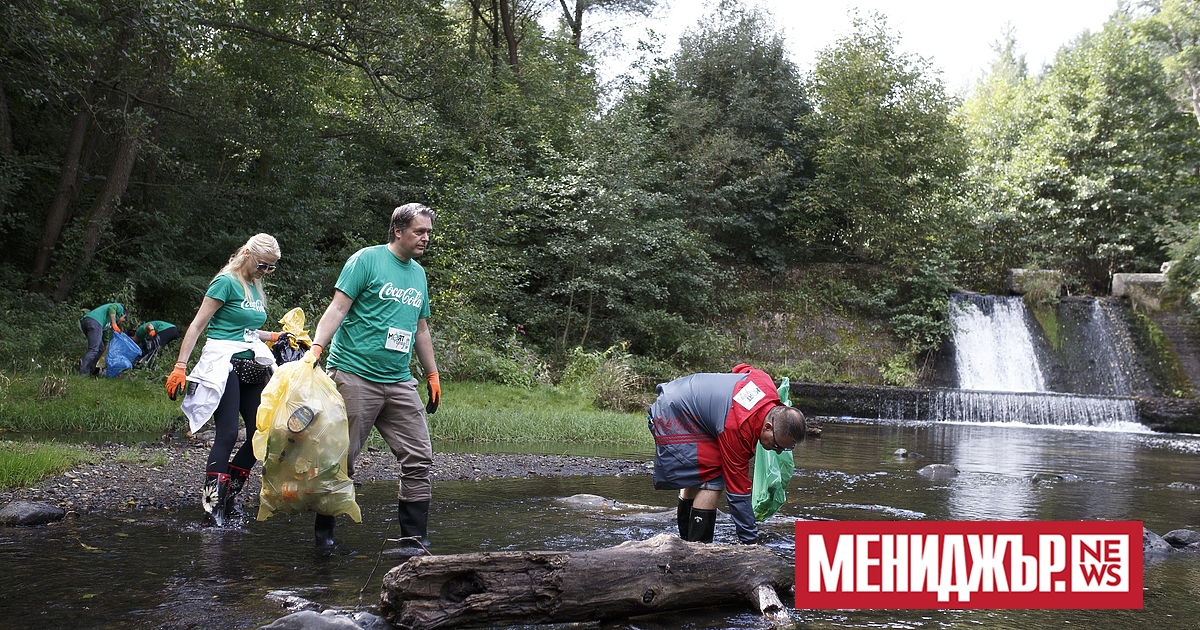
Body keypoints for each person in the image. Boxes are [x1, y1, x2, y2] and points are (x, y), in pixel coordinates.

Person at [308, 203, 441, 552]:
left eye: (428, 232)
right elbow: (337, 308)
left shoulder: (418, 275)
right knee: (342, 459)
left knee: (419, 457)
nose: (426, 238)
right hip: (354, 375)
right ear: (398, 230)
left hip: (399, 380)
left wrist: (432, 374)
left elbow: (421, 330)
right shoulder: (366, 260)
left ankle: (415, 540)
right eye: (419, 231)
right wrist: (316, 349)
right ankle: (325, 539)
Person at [165, 234, 284, 527]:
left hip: (251, 363)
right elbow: (198, 325)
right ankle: (213, 506)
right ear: (246, 254)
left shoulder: (255, 285)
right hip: (224, 363)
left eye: (271, 268)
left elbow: (247, 330)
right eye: (262, 265)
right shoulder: (225, 282)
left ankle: (229, 494)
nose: (265, 272)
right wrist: (180, 365)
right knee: (228, 433)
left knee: (264, 432)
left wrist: (276, 337)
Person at [647, 363, 810, 545]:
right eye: (778, 445)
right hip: (673, 413)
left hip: (681, 396)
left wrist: (717, 408)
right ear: (768, 427)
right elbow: (737, 494)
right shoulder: (737, 429)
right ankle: (698, 550)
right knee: (713, 478)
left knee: (700, 472)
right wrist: (750, 543)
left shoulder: (765, 384)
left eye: (785, 449)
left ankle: (685, 542)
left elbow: (740, 369)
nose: (778, 451)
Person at [79, 302, 126, 376]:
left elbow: (106, 332)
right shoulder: (120, 308)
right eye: (124, 318)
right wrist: (114, 323)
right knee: (94, 349)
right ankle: (83, 370)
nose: (123, 321)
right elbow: (112, 308)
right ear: (123, 314)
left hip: (86, 322)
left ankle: (93, 371)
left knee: (101, 349)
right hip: (95, 322)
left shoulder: (108, 321)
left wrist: (106, 345)